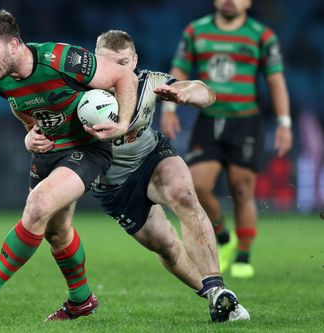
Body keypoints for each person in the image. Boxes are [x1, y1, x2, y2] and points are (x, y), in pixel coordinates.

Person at [26, 30, 249, 322]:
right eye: (108, 64)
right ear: (94, 63)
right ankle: (215, 299)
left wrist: (187, 94)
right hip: (114, 187)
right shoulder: (75, 94)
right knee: (166, 246)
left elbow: (204, 91)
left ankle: (218, 288)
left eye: (122, 63)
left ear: (134, 61)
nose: (115, 71)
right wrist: (31, 139)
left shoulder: (149, 83)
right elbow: (39, 120)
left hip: (152, 159)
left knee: (184, 195)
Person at [0, 10, 139, 317]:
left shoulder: (61, 59)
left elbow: (124, 76)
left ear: (14, 45)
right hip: (48, 153)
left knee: (38, 205)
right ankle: (81, 300)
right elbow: (23, 108)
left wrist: (121, 124)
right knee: (57, 232)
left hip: (87, 149)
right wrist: (30, 135)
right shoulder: (0, 80)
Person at [160, 0, 292, 278]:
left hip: (246, 121)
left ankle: (243, 256)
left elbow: (276, 80)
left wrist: (284, 122)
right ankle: (223, 237)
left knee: (242, 189)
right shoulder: (196, 31)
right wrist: (169, 108)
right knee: (197, 184)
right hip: (207, 120)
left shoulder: (262, 35)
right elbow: (180, 69)